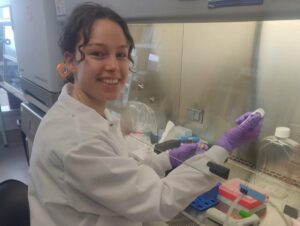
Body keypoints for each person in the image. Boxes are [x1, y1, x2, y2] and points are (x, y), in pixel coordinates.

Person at [28, 2, 263, 226]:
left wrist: (166, 159)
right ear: (70, 61)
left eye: (121, 55)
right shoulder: (76, 139)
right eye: (98, 53)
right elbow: (159, 199)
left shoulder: (89, 112)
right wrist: (226, 144)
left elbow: (122, 169)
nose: (113, 65)